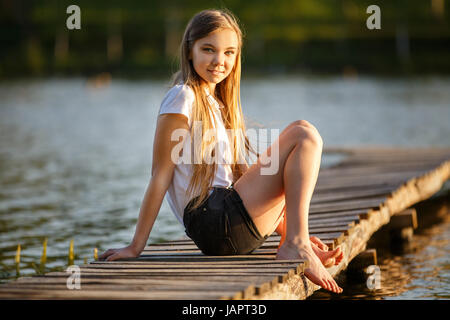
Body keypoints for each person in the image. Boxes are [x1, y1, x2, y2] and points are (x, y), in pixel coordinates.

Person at [100, 8, 343, 294]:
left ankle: (295, 240)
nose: (219, 61)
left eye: (229, 52)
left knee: (297, 149)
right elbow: (160, 175)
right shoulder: (182, 97)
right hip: (213, 223)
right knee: (303, 133)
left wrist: (289, 230)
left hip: (227, 229)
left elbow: (249, 183)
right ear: (190, 51)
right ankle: (296, 244)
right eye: (208, 50)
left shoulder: (217, 103)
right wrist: (135, 246)